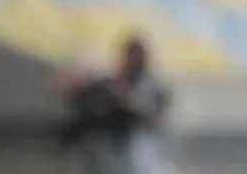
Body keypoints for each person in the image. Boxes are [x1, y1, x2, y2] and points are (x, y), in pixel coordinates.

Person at [57, 36, 171, 174]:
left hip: (141, 151)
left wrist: (129, 103)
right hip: (108, 148)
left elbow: (155, 116)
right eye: (130, 57)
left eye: (137, 57)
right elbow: (67, 89)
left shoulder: (153, 86)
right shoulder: (112, 80)